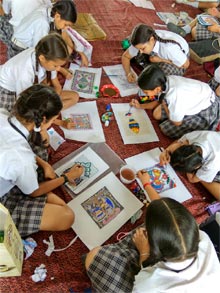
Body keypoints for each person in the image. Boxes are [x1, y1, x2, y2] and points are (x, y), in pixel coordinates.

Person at [85, 172, 220, 292]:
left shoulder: (151, 284)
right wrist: (147, 183)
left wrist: (144, 252)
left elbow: (145, 278)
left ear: (156, 249)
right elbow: (166, 216)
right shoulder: (202, 238)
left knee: (94, 256)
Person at [0, 84, 84, 237]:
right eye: (54, 119)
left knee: (41, 144)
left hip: (10, 167)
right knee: (66, 216)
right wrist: (66, 178)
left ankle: (30, 182)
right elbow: (34, 192)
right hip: (3, 199)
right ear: (43, 120)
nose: (54, 123)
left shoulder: (2, 113)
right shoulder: (22, 158)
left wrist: (43, 163)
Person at [0, 33, 79, 124]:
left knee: (74, 97)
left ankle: (45, 115)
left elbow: (56, 86)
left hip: (30, 89)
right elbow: (24, 104)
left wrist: (51, 101)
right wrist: (58, 122)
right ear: (42, 58)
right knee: (20, 121)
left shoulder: (47, 55)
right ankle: (44, 118)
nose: (58, 69)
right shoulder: (25, 71)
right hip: (8, 91)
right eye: (55, 66)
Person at [130, 64, 220, 138]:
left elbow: (177, 122)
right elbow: (160, 99)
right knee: (156, 114)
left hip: (206, 109)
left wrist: (165, 105)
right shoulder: (164, 81)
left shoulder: (174, 96)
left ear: (157, 89)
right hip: (196, 97)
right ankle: (176, 113)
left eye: (146, 92)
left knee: (165, 128)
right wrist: (140, 106)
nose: (145, 94)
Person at [0, 0, 89, 70]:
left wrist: (79, 52)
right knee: (34, 73)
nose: (66, 28)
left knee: (66, 51)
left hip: (27, 33)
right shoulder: (42, 23)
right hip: (18, 48)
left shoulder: (51, 10)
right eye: (66, 25)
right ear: (57, 16)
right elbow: (39, 52)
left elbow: (63, 33)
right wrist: (61, 70)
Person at [160, 130, 220, 201]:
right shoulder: (191, 137)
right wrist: (166, 150)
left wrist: (198, 174)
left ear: (197, 167)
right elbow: (178, 143)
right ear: (185, 144)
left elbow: (192, 179)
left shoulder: (212, 164)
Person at [122, 23, 190, 83]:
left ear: (152, 40)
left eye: (143, 48)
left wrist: (161, 60)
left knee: (160, 76)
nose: (141, 51)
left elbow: (185, 65)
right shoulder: (142, 42)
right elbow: (125, 56)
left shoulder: (169, 49)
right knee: (129, 44)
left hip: (179, 58)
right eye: (139, 48)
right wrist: (128, 73)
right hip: (157, 52)